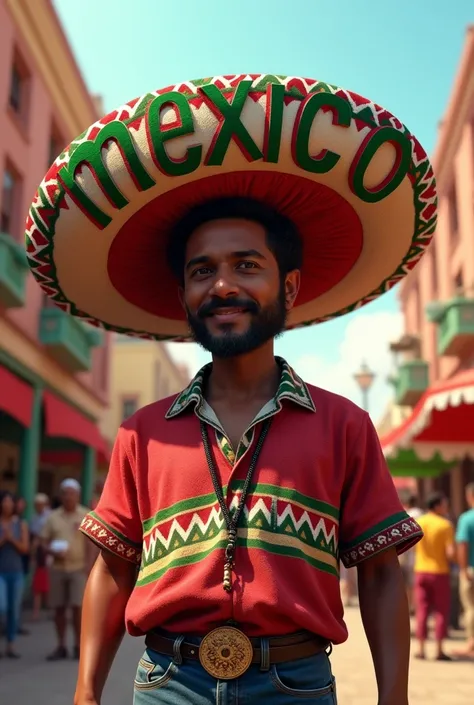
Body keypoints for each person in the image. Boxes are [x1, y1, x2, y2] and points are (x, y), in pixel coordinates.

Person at [24, 74, 436, 704]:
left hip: (296, 686)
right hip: (166, 684)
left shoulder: (345, 425)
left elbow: (381, 575)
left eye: (247, 265)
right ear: (183, 295)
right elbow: (112, 568)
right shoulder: (141, 431)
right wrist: (84, 695)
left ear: (290, 288)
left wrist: (395, 700)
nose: (222, 286)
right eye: (202, 271)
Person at [40, 479, 90, 660]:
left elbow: (93, 544)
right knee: (59, 608)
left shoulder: (86, 515)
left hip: (79, 568)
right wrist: (51, 550)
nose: (68, 496)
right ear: (61, 496)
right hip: (58, 567)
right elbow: (43, 542)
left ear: (77, 495)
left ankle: (78, 645)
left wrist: (89, 567)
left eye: (72, 493)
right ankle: (61, 645)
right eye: (65, 493)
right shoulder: (52, 517)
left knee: (78, 608)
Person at [413, 492, 455, 661]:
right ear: (437, 506)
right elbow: (450, 552)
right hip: (440, 572)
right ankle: (439, 650)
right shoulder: (445, 525)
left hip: (421, 570)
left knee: (422, 609)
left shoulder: (419, 522)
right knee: (441, 611)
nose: (446, 507)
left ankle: (421, 649)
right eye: (444, 504)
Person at [0, 491, 29, 658]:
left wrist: (11, 538)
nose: (8, 505)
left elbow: (24, 548)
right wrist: (5, 539)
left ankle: (10, 644)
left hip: (16, 572)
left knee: (13, 609)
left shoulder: (21, 524)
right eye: (5, 501)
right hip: (1, 572)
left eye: (10, 502)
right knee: (2, 607)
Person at [454, 482, 474, 658]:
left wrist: (463, 569)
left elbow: (462, 545)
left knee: (470, 608)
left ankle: (471, 642)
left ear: (470, 497)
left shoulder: (467, 519)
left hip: (471, 569)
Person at [399, 495, 423, 613]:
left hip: (407, 553)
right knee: (415, 584)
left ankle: (409, 606)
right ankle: (416, 606)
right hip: (421, 555)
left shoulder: (405, 514)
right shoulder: (423, 515)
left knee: (407, 583)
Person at [30, 493, 52, 621]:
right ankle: (37, 610)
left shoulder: (50, 517)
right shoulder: (34, 518)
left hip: (49, 554)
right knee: (38, 584)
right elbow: (34, 537)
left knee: (48, 583)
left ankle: (48, 608)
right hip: (39, 554)